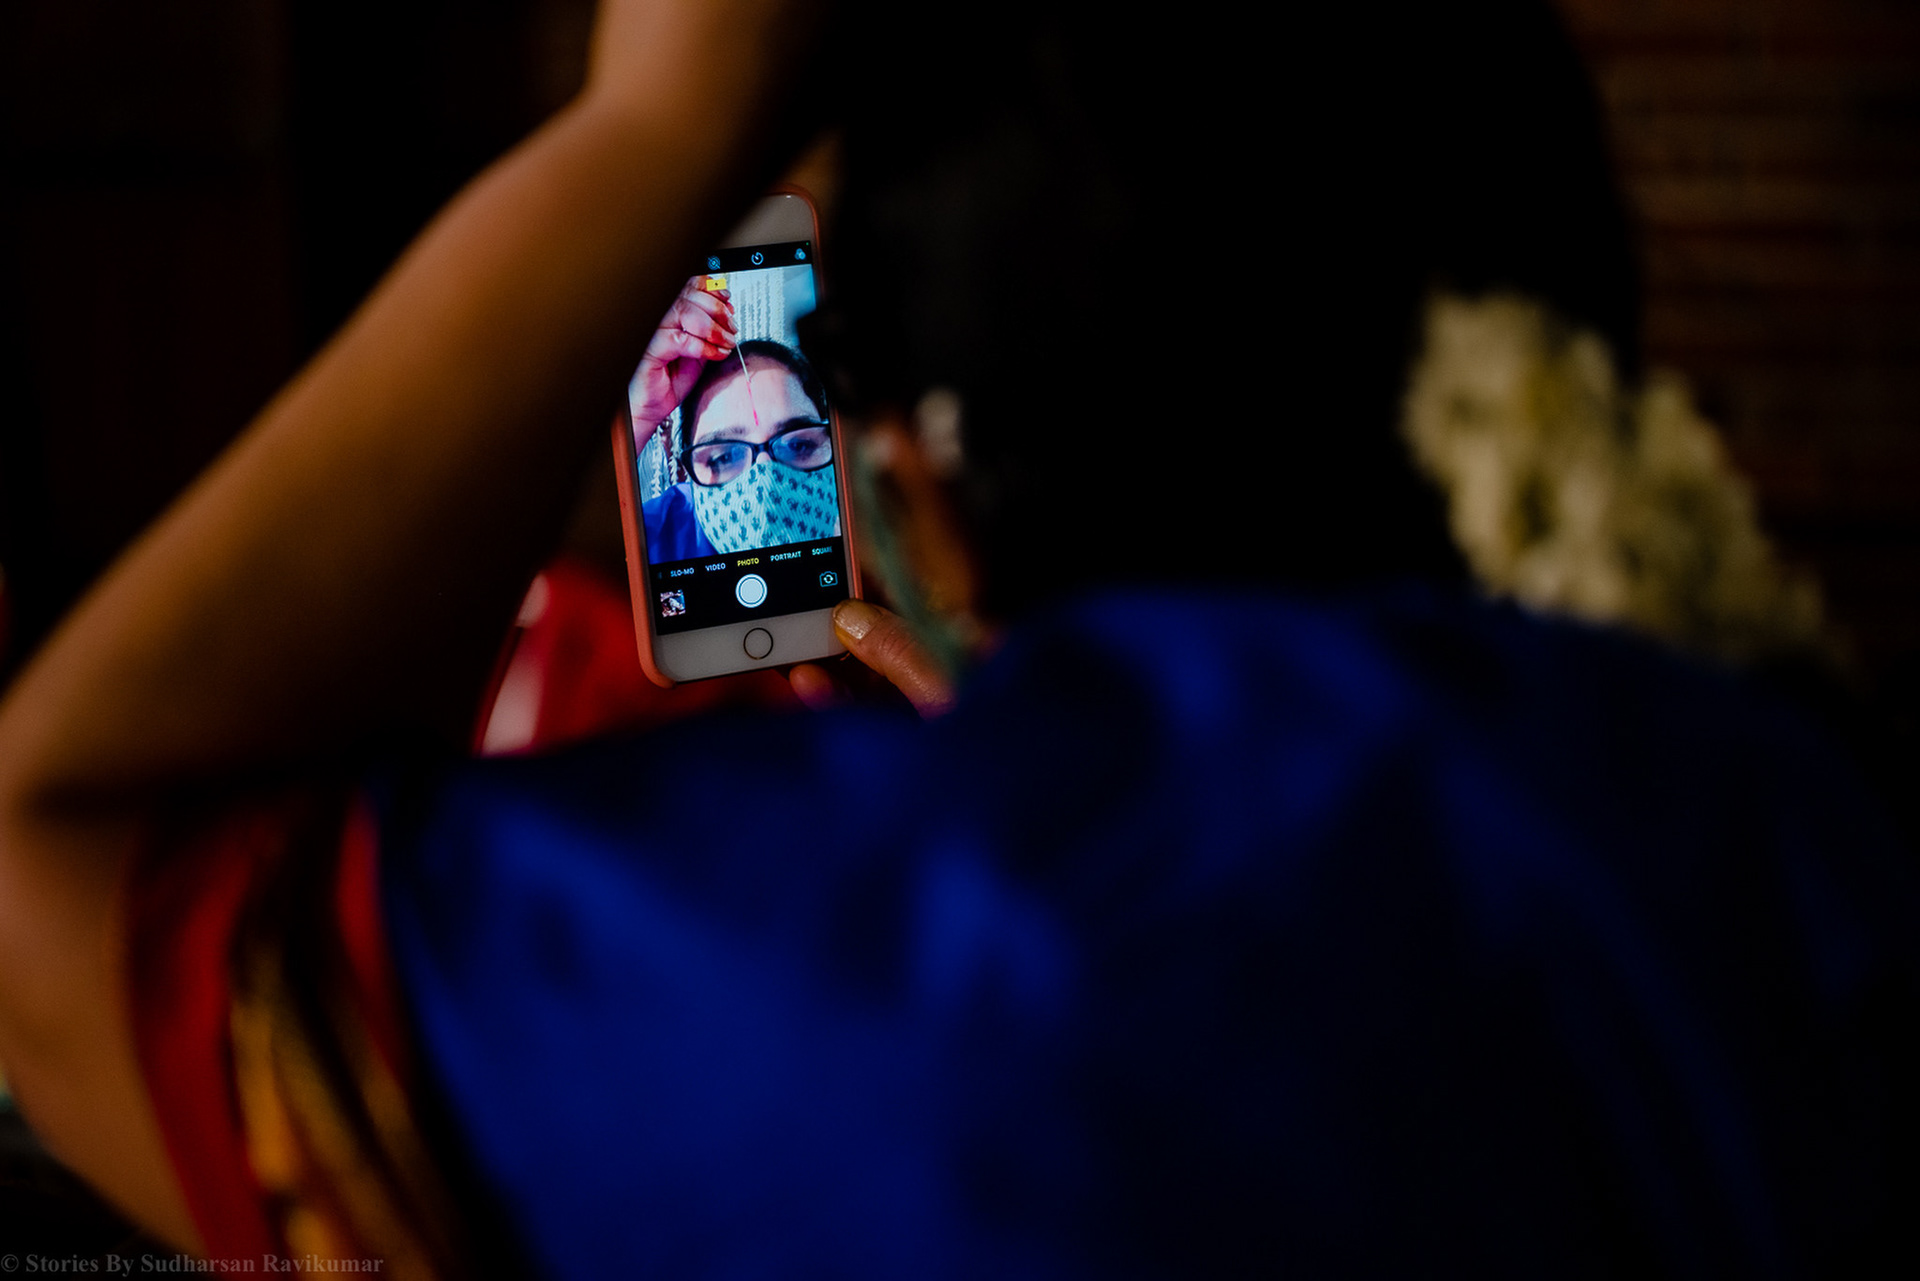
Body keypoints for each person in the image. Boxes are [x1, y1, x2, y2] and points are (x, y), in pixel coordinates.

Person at [0, 0, 1915, 1277]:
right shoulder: (1782, 828)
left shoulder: (889, 939)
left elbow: (70, 877)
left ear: (923, 493)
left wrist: (666, 131)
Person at [640, 339, 840, 560]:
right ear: (689, 471)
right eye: (724, 458)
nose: (767, 484)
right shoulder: (659, 532)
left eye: (798, 445)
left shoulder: (862, 526)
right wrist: (638, 419)